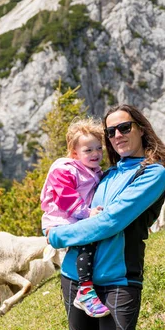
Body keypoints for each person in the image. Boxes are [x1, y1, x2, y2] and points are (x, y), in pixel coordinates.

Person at [47, 104, 165, 330]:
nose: (117, 135)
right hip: (74, 278)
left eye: (124, 127)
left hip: (118, 281)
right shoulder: (104, 174)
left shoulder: (152, 173)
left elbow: (110, 222)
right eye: (111, 132)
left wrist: (57, 237)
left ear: (141, 129)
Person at [40, 118, 111, 318]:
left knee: (91, 243)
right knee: (87, 241)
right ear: (74, 153)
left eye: (99, 148)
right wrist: (88, 214)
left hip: (73, 219)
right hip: (58, 221)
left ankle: (87, 286)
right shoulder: (65, 169)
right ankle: (85, 291)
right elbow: (65, 198)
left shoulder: (92, 171)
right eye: (88, 150)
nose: (95, 154)